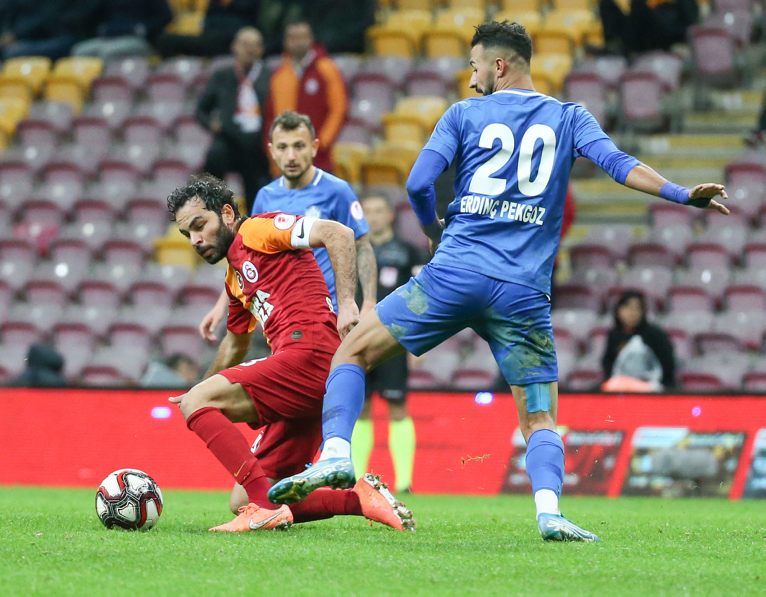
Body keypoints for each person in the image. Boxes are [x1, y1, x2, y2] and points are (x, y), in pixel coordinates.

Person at [268, 20, 729, 542]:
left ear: (499, 65)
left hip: (454, 275)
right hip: (522, 293)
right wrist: (681, 194)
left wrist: (433, 230)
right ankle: (550, 513)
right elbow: (619, 165)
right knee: (540, 416)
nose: (471, 79)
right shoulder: (570, 117)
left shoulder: (463, 114)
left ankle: (335, 453)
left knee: (351, 352)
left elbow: (418, 182)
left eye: (475, 67)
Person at [166, 174, 414, 532]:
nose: (195, 240)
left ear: (227, 214)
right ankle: (359, 500)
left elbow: (338, 233)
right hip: (308, 377)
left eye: (199, 225)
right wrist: (200, 389)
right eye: (186, 233)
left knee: (200, 406)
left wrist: (347, 303)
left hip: (309, 353)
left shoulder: (257, 230)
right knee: (245, 497)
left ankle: (264, 511)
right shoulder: (235, 279)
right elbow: (235, 344)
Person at [197, 111, 377, 344]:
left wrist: (369, 303)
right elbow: (244, 257)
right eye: (283, 147)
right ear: (272, 151)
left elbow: (362, 247)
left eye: (299, 146)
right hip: (283, 318)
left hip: (330, 314)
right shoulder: (265, 196)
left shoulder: (337, 191)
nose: (291, 156)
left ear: (314, 147)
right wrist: (221, 307)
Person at [351, 195, 426, 493]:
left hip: (395, 338)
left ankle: (405, 482)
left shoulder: (409, 252)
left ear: (391, 215)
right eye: (368, 211)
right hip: (358, 338)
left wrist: (420, 340)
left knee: (397, 405)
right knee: (361, 407)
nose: (374, 216)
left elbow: (422, 297)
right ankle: (356, 479)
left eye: (379, 210)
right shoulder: (352, 250)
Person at [195, 27, 271, 215]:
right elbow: (200, 111)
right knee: (214, 160)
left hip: (258, 142)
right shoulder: (222, 75)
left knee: (258, 187)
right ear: (234, 47)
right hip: (229, 137)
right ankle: (212, 213)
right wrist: (211, 124)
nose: (249, 50)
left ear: (261, 49)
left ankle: (256, 223)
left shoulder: (270, 76)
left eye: (255, 45)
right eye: (245, 44)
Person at [263, 21, 347, 175]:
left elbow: (339, 109)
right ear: (285, 41)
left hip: (319, 159)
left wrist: (322, 142)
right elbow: (271, 117)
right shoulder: (279, 75)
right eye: (293, 38)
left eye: (302, 37)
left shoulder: (327, 69)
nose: (298, 42)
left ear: (311, 39)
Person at [601, 290, 676, 392]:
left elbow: (667, 365)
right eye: (627, 307)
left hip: (651, 390)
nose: (632, 312)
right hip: (621, 390)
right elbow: (608, 364)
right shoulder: (614, 336)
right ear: (618, 310)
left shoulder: (655, 335)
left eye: (637, 308)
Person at [70, 0, 172, 60]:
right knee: (79, 51)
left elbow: (166, 16)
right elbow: (93, 17)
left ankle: (110, 86)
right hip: (110, 38)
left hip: (141, 40)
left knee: (108, 52)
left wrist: (142, 29)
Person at [157, 0, 259, 58]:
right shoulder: (214, 5)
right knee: (166, 40)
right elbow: (209, 16)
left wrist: (231, 3)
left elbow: (250, 16)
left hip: (235, 32)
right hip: (210, 31)